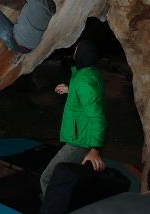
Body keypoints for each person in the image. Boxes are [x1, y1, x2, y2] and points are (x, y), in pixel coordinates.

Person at [39, 39, 107, 198]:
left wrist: (95, 149)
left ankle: (50, 208)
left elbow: (98, 117)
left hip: (80, 141)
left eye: (77, 49)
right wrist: (71, 89)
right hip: (83, 137)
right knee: (72, 178)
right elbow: (92, 96)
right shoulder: (91, 73)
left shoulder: (83, 82)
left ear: (82, 54)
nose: (74, 51)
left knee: (48, 178)